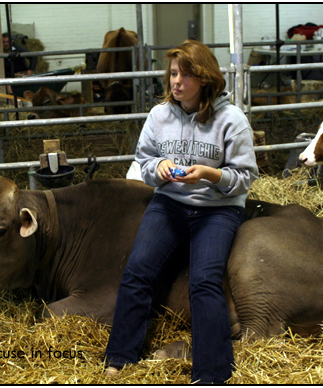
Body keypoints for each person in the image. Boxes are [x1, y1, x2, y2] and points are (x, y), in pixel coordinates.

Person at [104, 40, 259, 384]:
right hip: (170, 203)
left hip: (217, 210)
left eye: (185, 74)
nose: (176, 81)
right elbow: (143, 160)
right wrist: (157, 167)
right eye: (173, 73)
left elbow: (245, 176)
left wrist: (209, 174)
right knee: (137, 272)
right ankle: (120, 358)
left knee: (204, 283)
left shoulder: (232, 120)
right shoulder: (159, 115)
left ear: (204, 78)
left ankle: (212, 374)